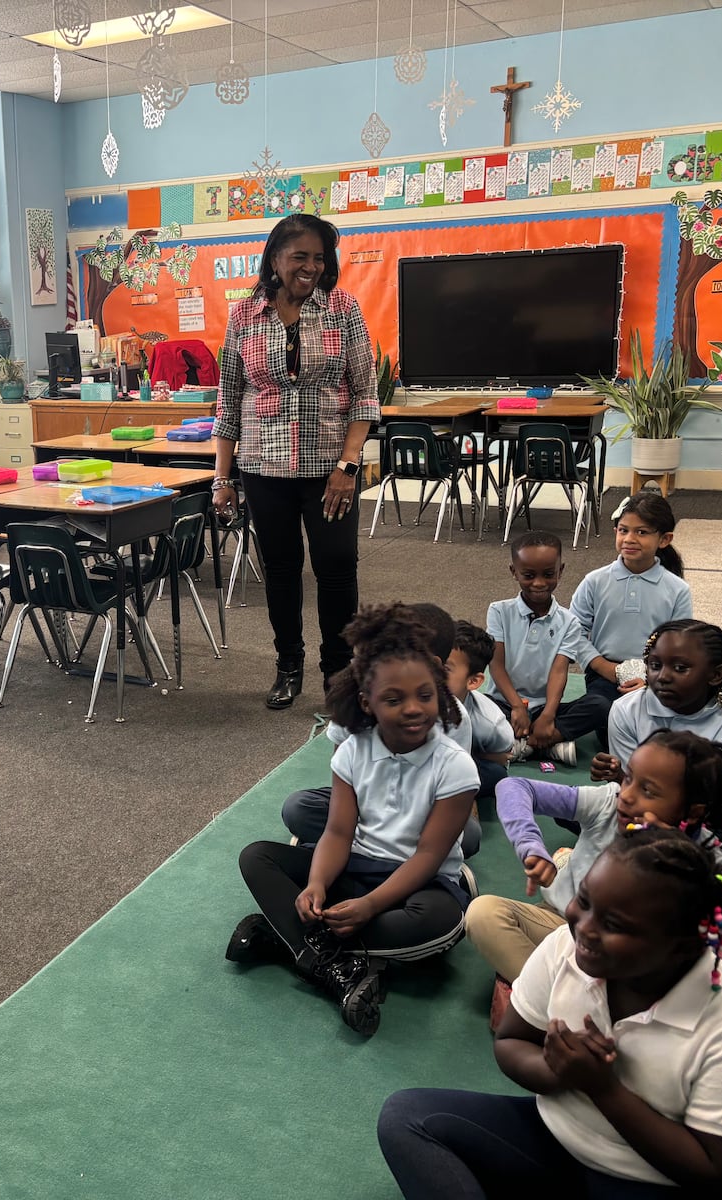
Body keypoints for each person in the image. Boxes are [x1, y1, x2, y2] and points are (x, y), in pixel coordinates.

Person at [380, 830, 722, 1198]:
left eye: (614, 924)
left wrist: (604, 1089)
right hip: (555, 1140)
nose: (583, 928)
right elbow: (512, 1041)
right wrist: (557, 1071)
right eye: (584, 900)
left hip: (653, 1181)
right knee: (408, 1117)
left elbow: (714, 1171)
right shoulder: (566, 945)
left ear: (682, 945)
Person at [227, 605, 478, 1036]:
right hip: (355, 867)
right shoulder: (351, 751)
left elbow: (428, 856)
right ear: (367, 702)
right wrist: (318, 883)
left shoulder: (455, 767)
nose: (414, 709)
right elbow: (339, 832)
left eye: (424, 695)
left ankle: (288, 941)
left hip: (419, 883)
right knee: (256, 857)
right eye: (393, 700)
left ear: (439, 691)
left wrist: (369, 906)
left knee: (444, 921)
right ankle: (340, 967)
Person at [210, 213, 378, 709]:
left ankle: (338, 674)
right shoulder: (244, 316)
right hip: (264, 469)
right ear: (275, 259)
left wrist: (348, 468)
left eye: (319, 258)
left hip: (331, 473)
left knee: (336, 570)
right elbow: (229, 398)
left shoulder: (343, 309)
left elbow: (366, 393)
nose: (310, 267)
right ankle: (288, 665)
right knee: (281, 571)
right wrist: (223, 478)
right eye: (299, 256)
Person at [465, 731, 722, 1028]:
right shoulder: (609, 802)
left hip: (633, 954)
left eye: (649, 791)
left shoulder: (714, 861)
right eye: (629, 778)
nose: (628, 795)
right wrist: (530, 847)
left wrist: (669, 854)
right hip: (562, 924)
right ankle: (556, 1007)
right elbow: (513, 786)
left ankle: (535, 998)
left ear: (694, 812)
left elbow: (707, 948)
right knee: (484, 913)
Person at [281, 603, 482, 858]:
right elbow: (341, 765)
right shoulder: (355, 697)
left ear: (434, 665)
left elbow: (453, 785)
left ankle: (363, 852)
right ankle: (369, 850)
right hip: (365, 804)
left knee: (470, 836)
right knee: (297, 808)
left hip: (421, 812)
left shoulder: (454, 717)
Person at [593, 620, 722, 866]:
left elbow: (711, 803)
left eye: (680, 668)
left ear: (716, 675)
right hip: (637, 809)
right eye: (655, 665)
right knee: (584, 807)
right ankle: (683, 863)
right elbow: (628, 790)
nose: (663, 677)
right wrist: (618, 776)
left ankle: (643, 858)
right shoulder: (626, 709)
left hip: (695, 818)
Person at [566, 493, 692, 751]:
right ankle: (551, 732)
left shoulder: (677, 589)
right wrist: (605, 668)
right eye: (623, 530)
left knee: (674, 723)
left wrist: (649, 677)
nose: (630, 539)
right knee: (604, 713)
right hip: (604, 676)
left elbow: (679, 646)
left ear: (664, 539)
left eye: (642, 532)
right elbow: (573, 633)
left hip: (656, 677)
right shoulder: (595, 581)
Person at [486, 531, 596, 766]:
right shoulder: (499, 611)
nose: (539, 583)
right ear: (514, 572)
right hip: (504, 704)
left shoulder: (569, 621)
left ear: (561, 570)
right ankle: (549, 746)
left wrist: (548, 715)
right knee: (470, 706)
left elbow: (559, 671)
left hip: (545, 708)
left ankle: (528, 743)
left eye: (548, 574)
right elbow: (495, 664)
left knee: (600, 706)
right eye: (528, 575)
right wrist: (516, 706)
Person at [448, 621, 515, 806]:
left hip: (457, 762)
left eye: (445, 669)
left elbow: (502, 757)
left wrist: (477, 756)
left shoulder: (491, 724)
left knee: (497, 776)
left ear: (473, 681)